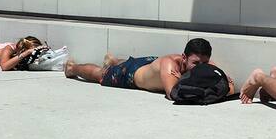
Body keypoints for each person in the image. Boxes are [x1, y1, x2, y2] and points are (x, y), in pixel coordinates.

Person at [64, 37, 236, 99]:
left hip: (150, 64)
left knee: (130, 64)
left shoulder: (206, 65)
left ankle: (114, 60)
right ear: (184, 58)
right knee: (101, 75)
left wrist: (225, 85)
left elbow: (229, 88)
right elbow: (174, 93)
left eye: (204, 64)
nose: (201, 68)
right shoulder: (170, 65)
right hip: (131, 75)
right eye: (195, 64)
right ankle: (72, 68)